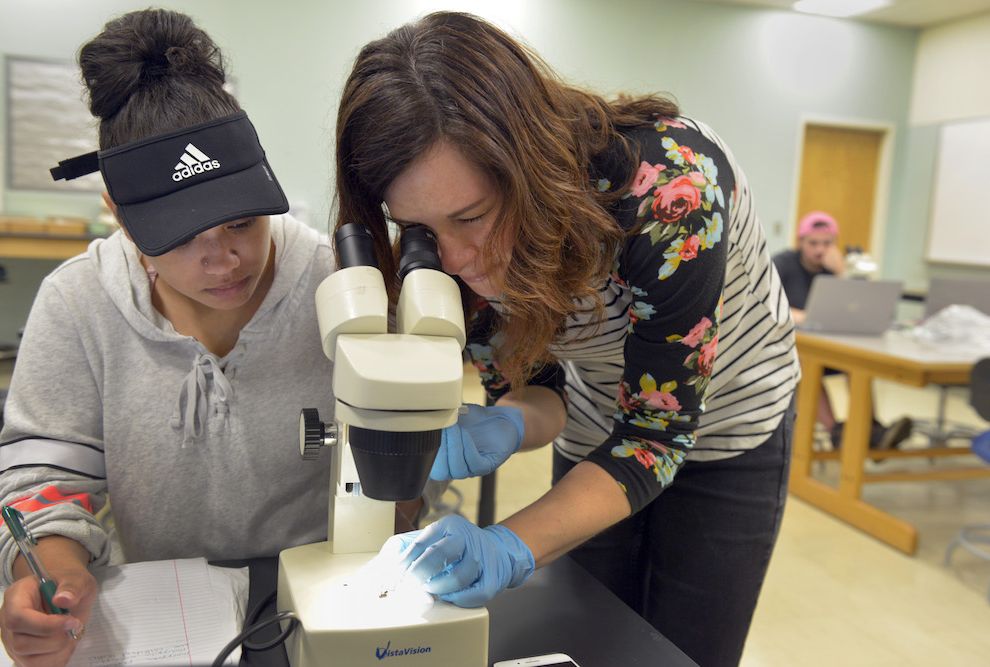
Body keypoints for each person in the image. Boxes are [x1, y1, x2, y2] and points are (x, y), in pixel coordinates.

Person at [336, 12, 799, 667]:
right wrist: (507, 420)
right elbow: (542, 393)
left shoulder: (670, 192)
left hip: (729, 426)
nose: (457, 257)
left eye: (472, 217)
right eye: (420, 228)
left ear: (528, 166)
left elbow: (653, 439)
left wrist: (508, 543)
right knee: (591, 630)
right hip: (598, 413)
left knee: (682, 649)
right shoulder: (442, 255)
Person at [0, 10, 339, 666]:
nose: (225, 259)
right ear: (119, 214)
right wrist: (54, 574)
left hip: (317, 599)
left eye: (242, 221)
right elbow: (41, 489)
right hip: (166, 615)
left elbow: (397, 467)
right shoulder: (77, 304)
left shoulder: (334, 284)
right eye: (182, 237)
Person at [772, 211, 911, 449]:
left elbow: (862, 309)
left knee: (858, 359)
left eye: (827, 243)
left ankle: (872, 430)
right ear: (800, 242)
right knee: (805, 361)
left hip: (830, 347)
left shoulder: (835, 268)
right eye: (813, 243)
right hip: (791, 350)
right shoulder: (783, 264)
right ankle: (836, 432)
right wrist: (806, 317)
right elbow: (768, 301)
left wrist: (841, 273)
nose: (820, 250)